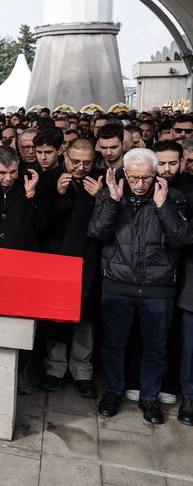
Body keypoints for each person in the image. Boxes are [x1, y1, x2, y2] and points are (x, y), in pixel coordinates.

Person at [89, 148, 193, 424]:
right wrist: (111, 200)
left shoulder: (173, 197)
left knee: (155, 347)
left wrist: (163, 207)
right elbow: (97, 232)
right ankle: (113, 391)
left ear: (155, 174)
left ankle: (149, 397)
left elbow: (182, 239)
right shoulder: (112, 194)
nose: (139, 184)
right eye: (134, 177)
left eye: (146, 177)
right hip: (117, 284)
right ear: (124, 173)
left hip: (157, 288)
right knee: (114, 344)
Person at [38, 138, 103, 398]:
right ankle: (54, 368)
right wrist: (58, 195)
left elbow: (109, 220)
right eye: (75, 161)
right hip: (56, 257)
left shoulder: (100, 178)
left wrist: (101, 198)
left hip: (89, 256)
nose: (80, 167)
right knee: (56, 314)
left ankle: (82, 371)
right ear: (65, 155)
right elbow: (40, 223)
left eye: (87, 162)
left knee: (85, 316)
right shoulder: (49, 178)